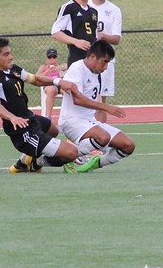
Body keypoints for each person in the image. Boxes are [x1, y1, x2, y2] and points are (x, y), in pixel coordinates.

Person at [0, 36, 102, 174]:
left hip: (30, 119)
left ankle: (24, 162)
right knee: (71, 153)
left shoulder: (13, 69)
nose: (11, 57)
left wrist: (58, 82)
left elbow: (35, 80)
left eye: (9, 53)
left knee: (52, 130)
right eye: (6, 54)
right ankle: (37, 162)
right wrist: (12, 118)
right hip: (21, 131)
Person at [57, 39, 136, 172]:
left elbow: (93, 101)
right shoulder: (77, 68)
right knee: (103, 137)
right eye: (104, 62)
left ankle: (93, 164)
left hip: (90, 122)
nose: (105, 67)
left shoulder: (96, 73)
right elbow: (78, 99)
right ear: (93, 56)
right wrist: (107, 107)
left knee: (128, 145)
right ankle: (67, 155)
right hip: (72, 121)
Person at [89, 0, 122, 123]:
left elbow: (117, 38)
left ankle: (100, 133)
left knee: (101, 102)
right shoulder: (86, 7)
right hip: (87, 59)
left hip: (105, 61)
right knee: (84, 99)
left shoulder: (114, 10)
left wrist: (102, 36)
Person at [50, 0, 99, 66]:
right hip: (77, 63)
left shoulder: (93, 11)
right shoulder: (69, 8)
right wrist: (76, 41)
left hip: (93, 63)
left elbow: (94, 37)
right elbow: (55, 32)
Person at [37, 47, 67, 118]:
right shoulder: (44, 67)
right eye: (49, 57)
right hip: (49, 85)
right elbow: (36, 77)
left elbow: (68, 65)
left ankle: (68, 115)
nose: (52, 59)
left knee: (68, 91)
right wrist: (47, 72)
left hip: (60, 84)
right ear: (46, 58)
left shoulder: (61, 66)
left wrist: (59, 68)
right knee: (51, 90)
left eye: (54, 57)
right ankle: (48, 116)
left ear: (57, 58)